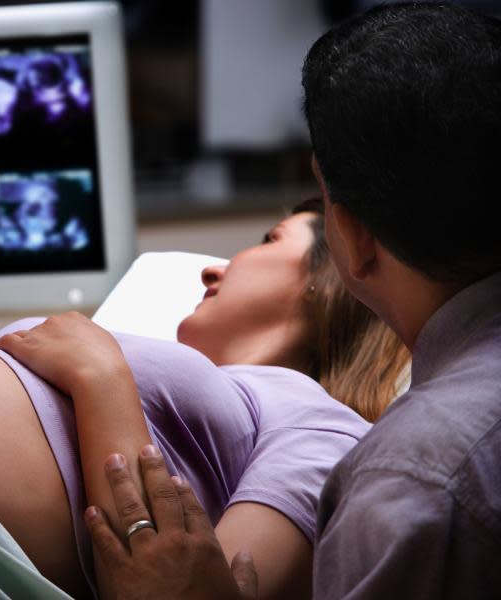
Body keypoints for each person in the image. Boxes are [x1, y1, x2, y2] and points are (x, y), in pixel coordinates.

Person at [88, 3, 501, 599]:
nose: (211, 267)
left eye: (269, 239)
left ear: (352, 247)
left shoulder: (408, 477)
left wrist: (97, 372)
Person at [0, 197, 407, 599]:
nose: (210, 271)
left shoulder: (324, 425)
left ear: (329, 283)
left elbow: (197, 591)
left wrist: (102, 382)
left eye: (270, 240)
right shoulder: (178, 362)